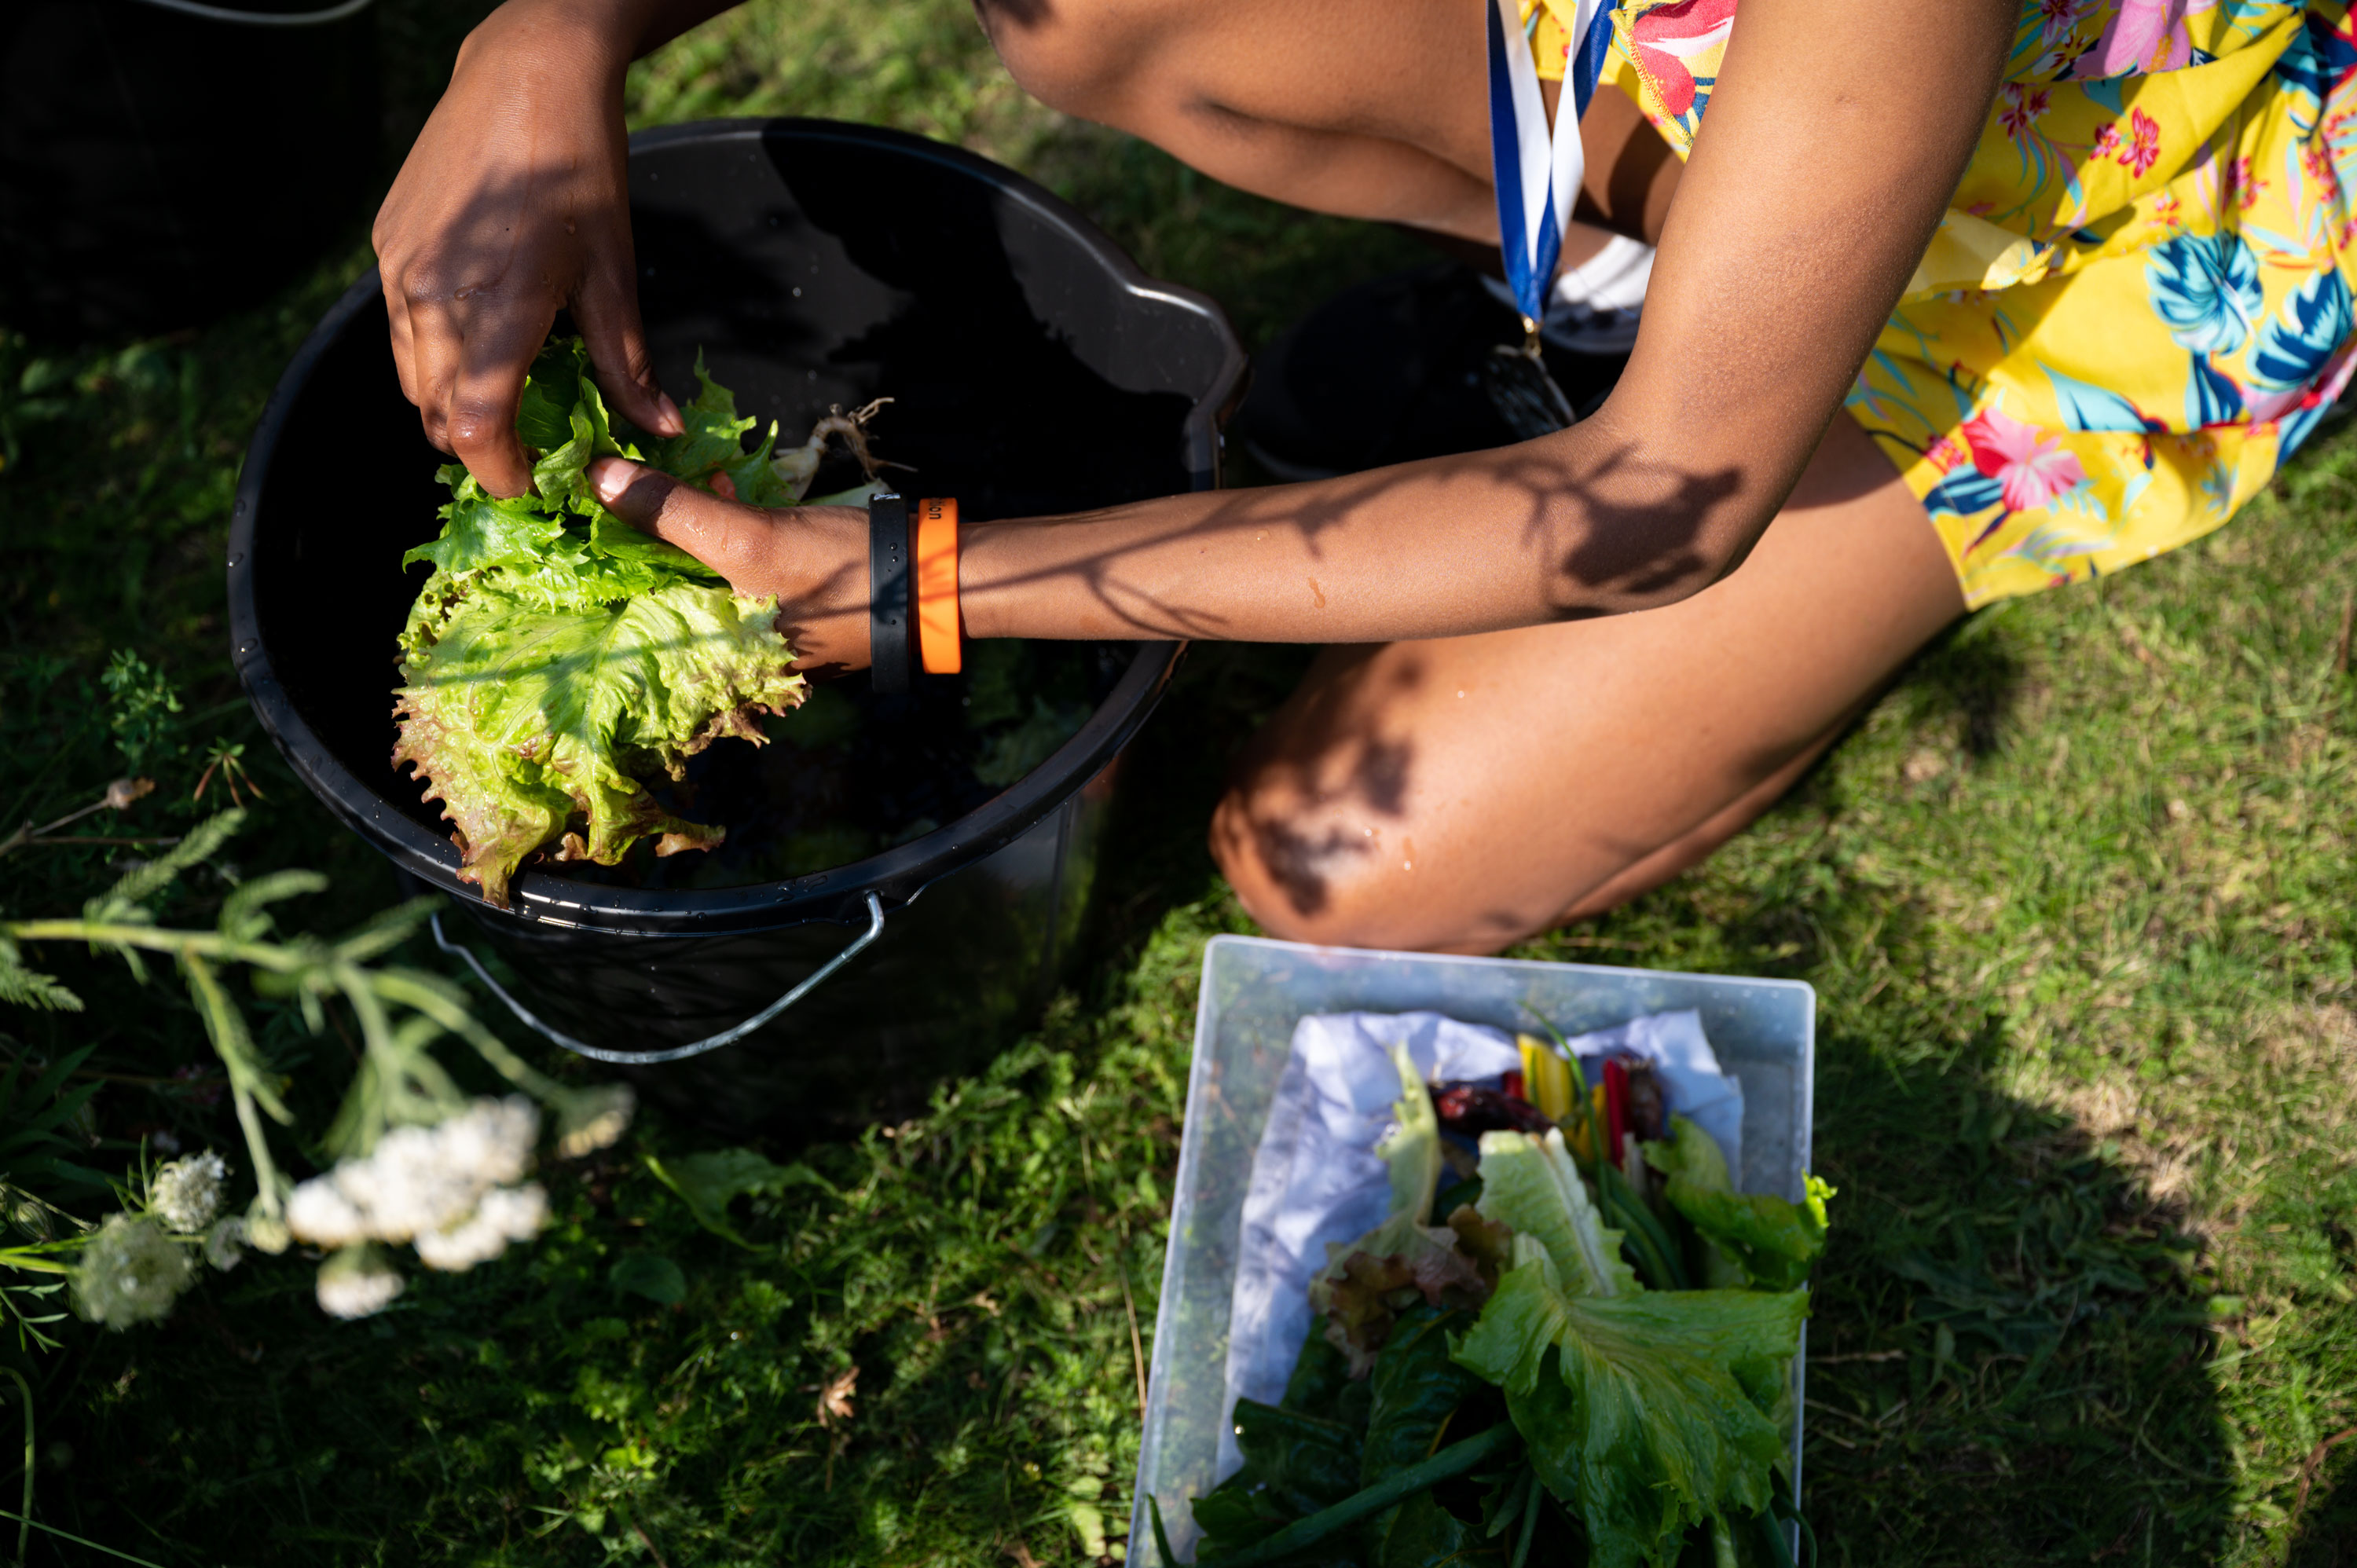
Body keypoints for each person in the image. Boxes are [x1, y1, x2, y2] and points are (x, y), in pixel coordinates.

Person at [375, 0, 2357, 955]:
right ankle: (1627, 288)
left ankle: (1796, 490)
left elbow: (1665, 496)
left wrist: (901, 581)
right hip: (1710, 61)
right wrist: (557, 32)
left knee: (1323, 857)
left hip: (2056, 256)